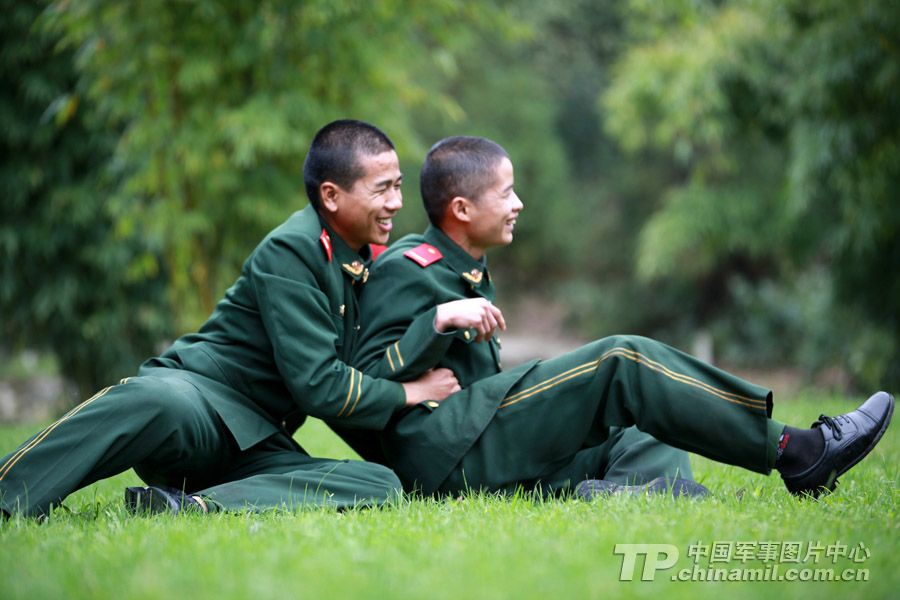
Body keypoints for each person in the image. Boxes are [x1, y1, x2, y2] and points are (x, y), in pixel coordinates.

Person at [349, 135, 894, 500]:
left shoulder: (468, 268)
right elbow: (366, 376)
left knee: (648, 417)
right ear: (462, 209)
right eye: (507, 192)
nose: (518, 204)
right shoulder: (407, 267)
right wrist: (438, 321)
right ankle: (799, 451)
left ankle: (632, 495)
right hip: (444, 451)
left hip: (480, 437)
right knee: (622, 360)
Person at [0, 119, 460, 519]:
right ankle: (8, 493)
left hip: (256, 440)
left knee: (379, 484)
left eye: (399, 185)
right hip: (201, 404)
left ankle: (194, 506)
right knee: (150, 399)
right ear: (331, 196)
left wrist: (438, 322)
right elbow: (320, 384)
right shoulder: (294, 248)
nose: (397, 202)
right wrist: (410, 393)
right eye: (383, 188)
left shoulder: (362, 260)